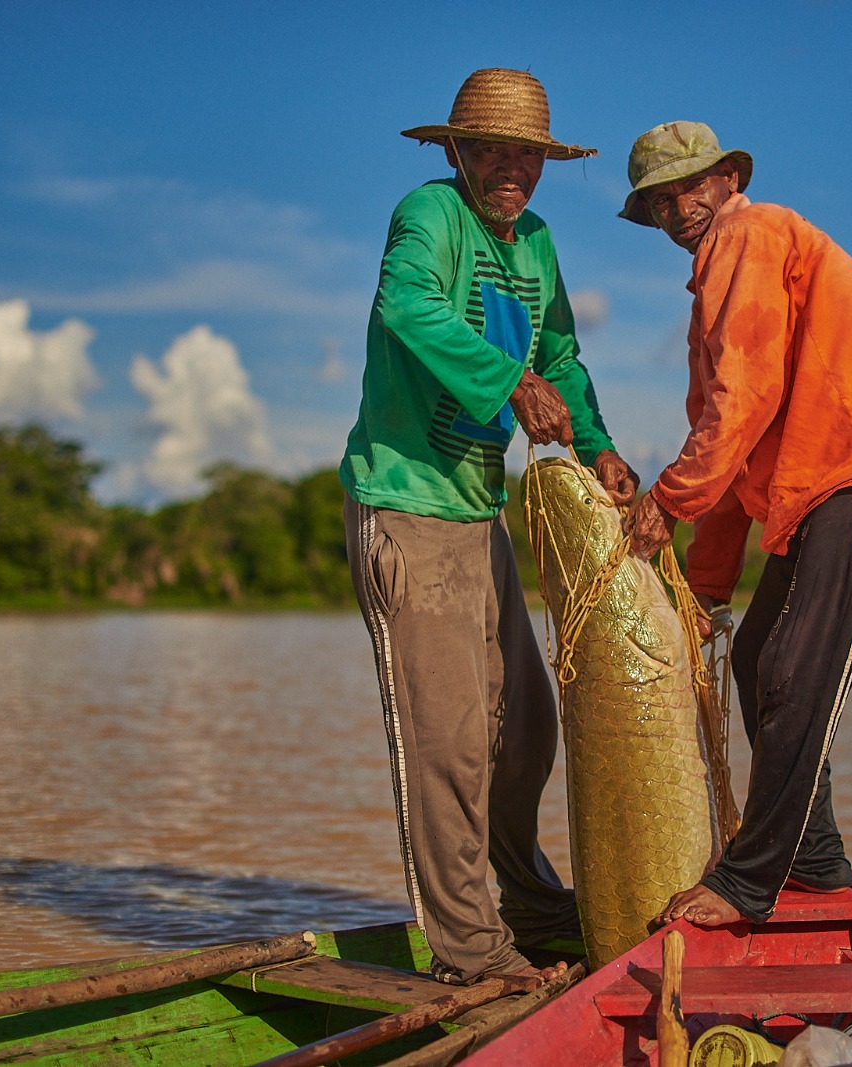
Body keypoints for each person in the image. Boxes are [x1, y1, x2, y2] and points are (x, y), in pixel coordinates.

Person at [618, 122, 852, 928]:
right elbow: (733, 466)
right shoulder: (713, 294)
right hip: (816, 494)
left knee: (794, 671)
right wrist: (701, 594)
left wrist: (664, 501)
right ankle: (811, 854)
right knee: (755, 654)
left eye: (690, 187)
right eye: (661, 202)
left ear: (726, 180)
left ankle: (748, 879)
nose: (679, 208)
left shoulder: (751, 233)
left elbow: (744, 404)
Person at [339, 69, 638, 984]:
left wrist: (600, 451)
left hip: (479, 516)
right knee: (451, 741)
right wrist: (508, 383)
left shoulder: (537, 243)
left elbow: (558, 356)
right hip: (405, 507)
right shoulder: (429, 216)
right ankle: (469, 949)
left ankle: (530, 905)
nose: (511, 172)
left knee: (526, 730)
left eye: (526, 157)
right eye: (492, 153)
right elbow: (408, 306)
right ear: (457, 153)